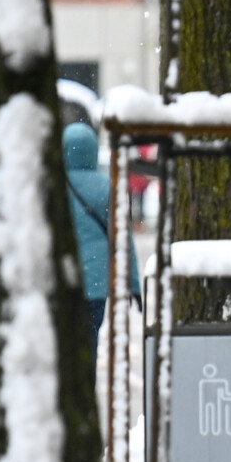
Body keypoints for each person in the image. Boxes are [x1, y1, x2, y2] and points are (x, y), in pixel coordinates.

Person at [63, 122, 138, 348]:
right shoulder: (107, 187)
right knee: (91, 339)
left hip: (65, 277)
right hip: (97, 281)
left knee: (66, 342)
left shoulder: (56, 186)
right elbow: (122, 238)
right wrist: (133, 284)